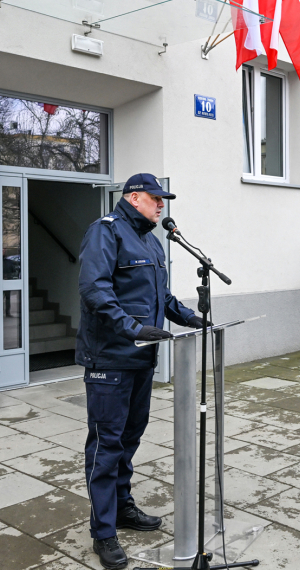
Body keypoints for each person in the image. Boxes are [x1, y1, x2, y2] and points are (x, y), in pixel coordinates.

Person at [76, 173, 206, 569]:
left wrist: (192, 318)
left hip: (141, 360)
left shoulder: (151, 240)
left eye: (162, 200)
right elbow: (95, 289)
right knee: (105, 445)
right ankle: (103, 532)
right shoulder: (106, 233)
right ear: (134, 198)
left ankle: (122, 507)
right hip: (110, 359)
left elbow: (160, 296)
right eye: (156, 199)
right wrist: (132, 329)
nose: (161, 205)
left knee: (129, 440)